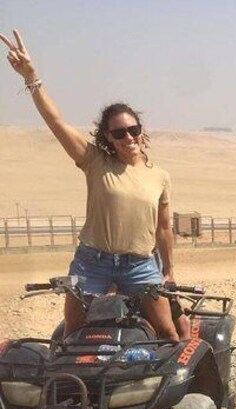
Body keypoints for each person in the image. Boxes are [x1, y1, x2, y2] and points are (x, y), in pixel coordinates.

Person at [2, 29, 179, 340]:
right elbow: (56, 122)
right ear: (107, 138)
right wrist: (32, 78)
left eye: (132, 129)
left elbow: (164, 229)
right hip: (92, 264)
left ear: (141, 129)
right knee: (74, 334)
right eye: (118, 133)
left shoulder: (159, 176)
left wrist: (169, 271)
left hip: (140, 265)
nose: (128, 138)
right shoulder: (95, 162)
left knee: (168, 332)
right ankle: (71, 389)